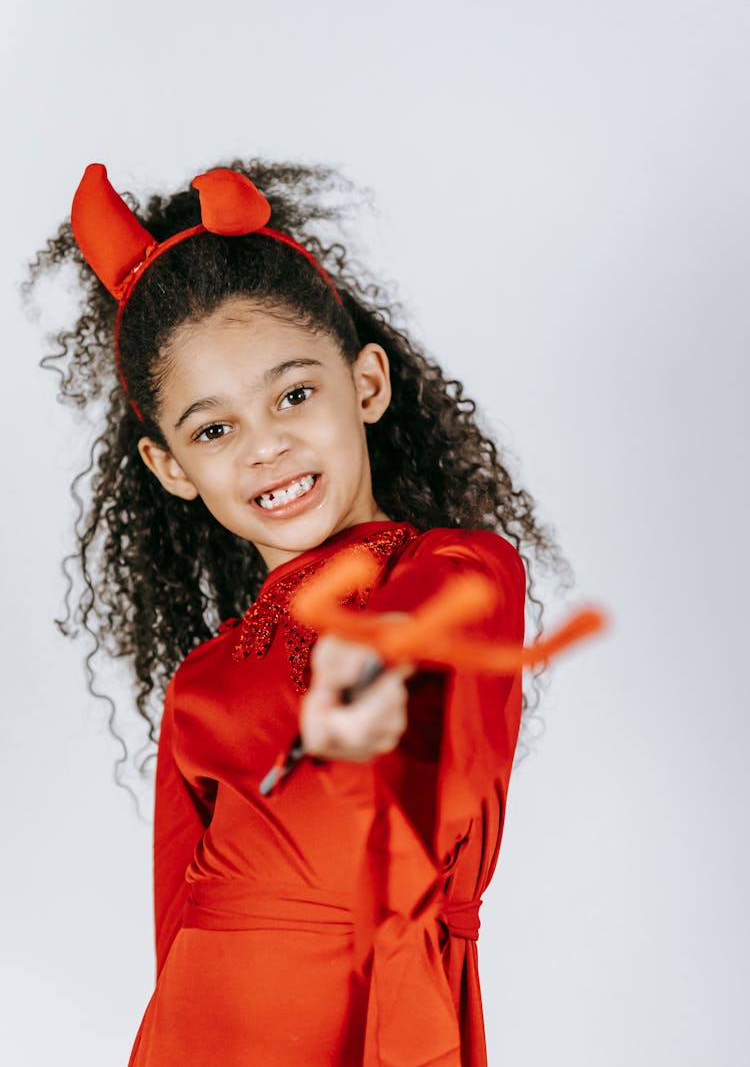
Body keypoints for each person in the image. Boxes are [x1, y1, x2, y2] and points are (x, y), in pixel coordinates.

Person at [29, 160, 570, 1066]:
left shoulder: (464, 570)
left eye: (293, 393)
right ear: (171, 470)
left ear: (365, 385)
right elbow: (175, 929)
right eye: (213, 429)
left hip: (377, 1016)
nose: (266, 444)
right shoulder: (200, 684)